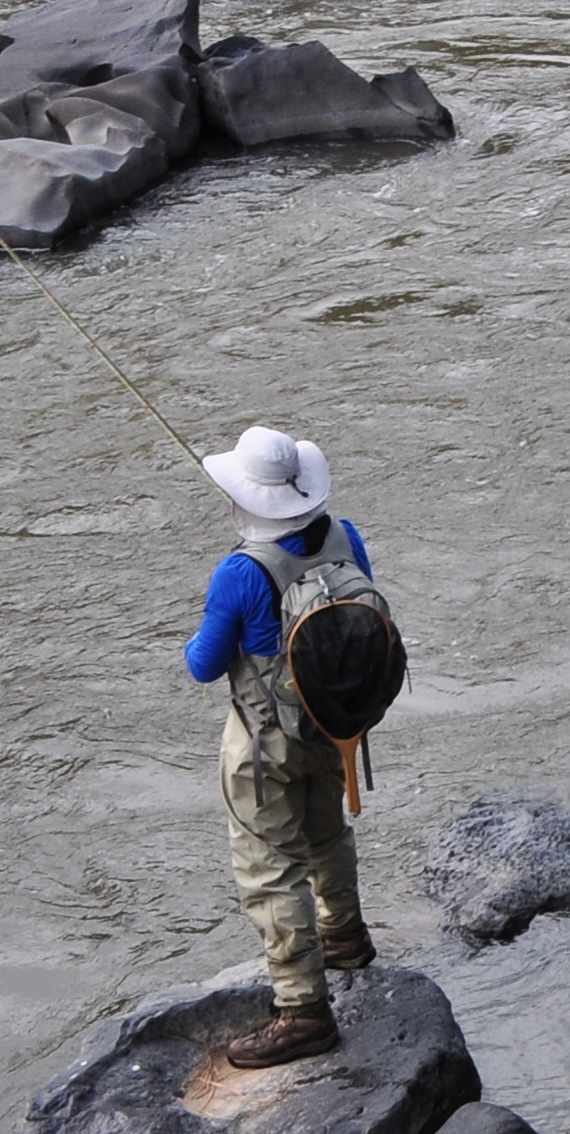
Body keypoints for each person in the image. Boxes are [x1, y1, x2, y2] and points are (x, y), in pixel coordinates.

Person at [186, 424, 371, 1070]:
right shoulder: (348, 536)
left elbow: (204, 664)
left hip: (264, 745)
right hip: (332, 722)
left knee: (270, 866)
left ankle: (303, 1012)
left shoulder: (238, 572)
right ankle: (345, 936)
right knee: (325, 832)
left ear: (246, 502)